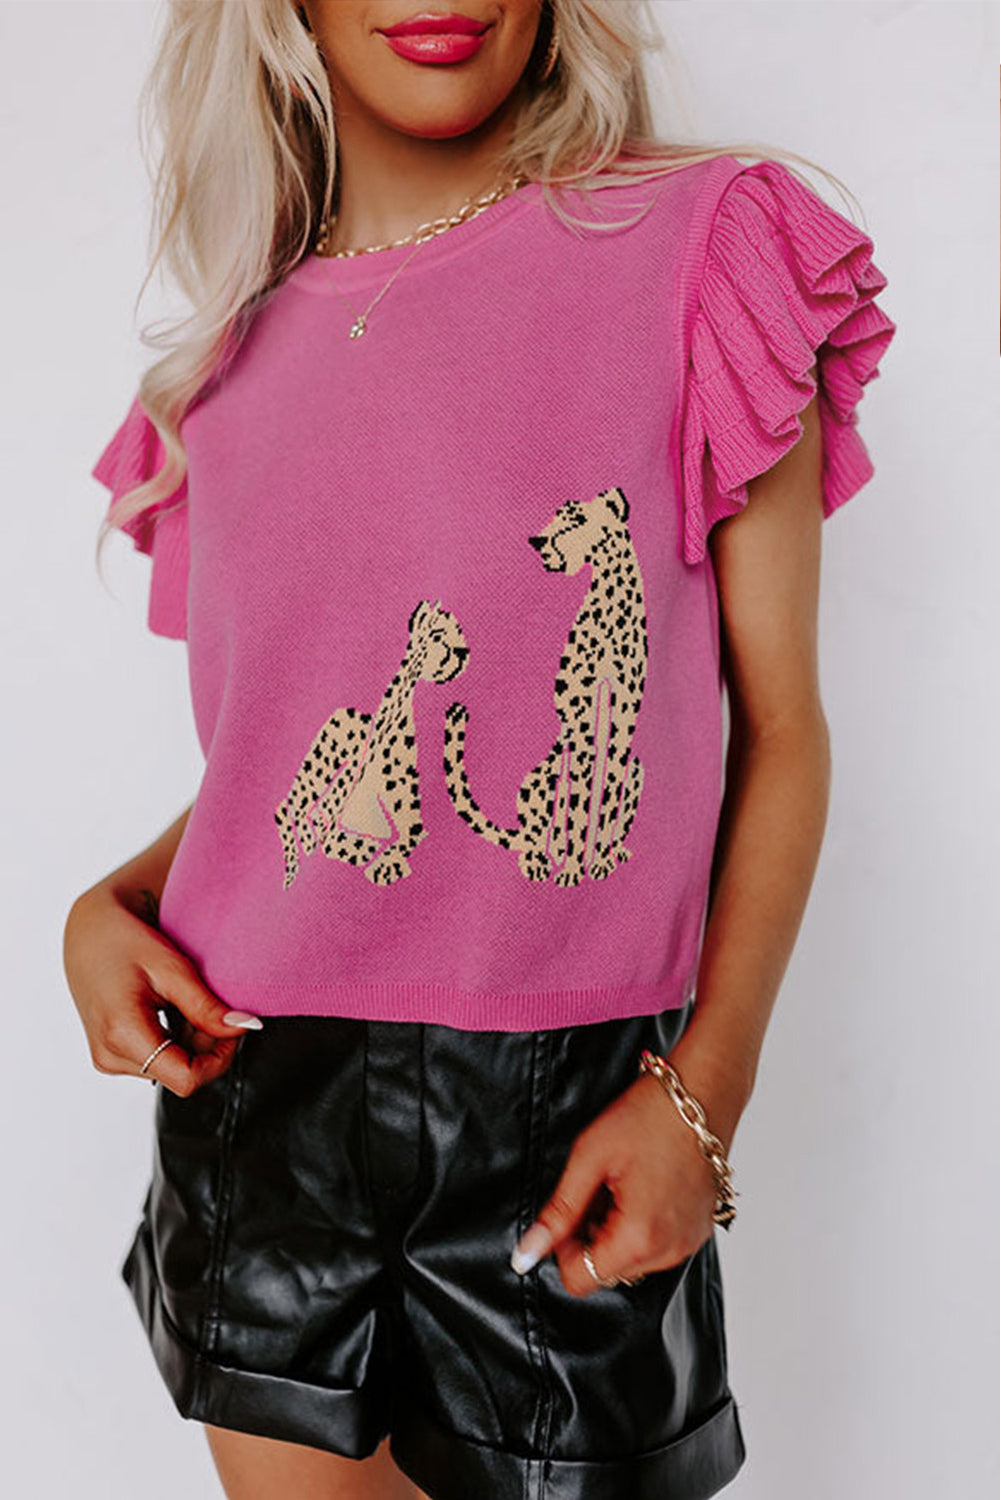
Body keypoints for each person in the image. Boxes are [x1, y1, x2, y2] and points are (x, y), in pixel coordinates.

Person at [62, 2, 897, 1497]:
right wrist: (109, 904)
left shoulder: (701, 249)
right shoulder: (223, 366)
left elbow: (781, 728)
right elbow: (288, 757)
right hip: (260, 1101)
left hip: (568, 1115)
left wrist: (704, 1098)